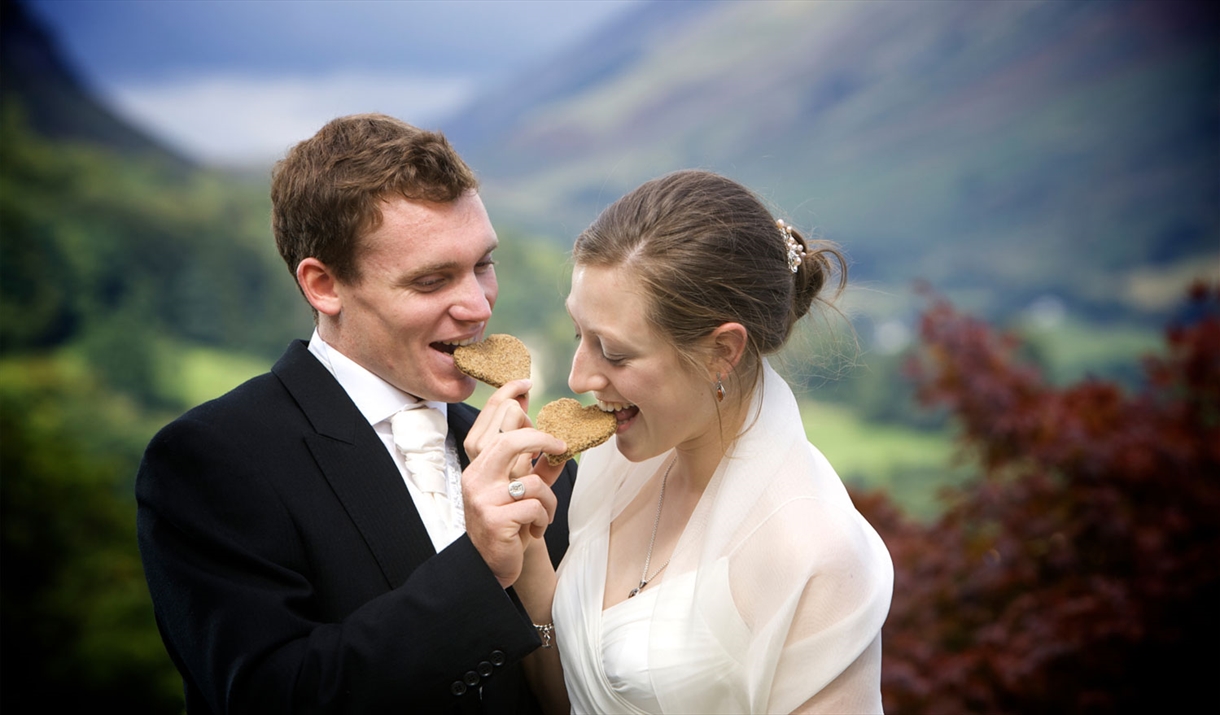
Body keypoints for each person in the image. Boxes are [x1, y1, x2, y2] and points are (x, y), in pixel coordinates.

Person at [136, 113, 576, 714]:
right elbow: (271, 698)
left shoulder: (536, 466)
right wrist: (476, 567)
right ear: (324, 285)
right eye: (431, 280)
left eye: (482, 265)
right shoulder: (213, 458)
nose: (477, 306)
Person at [469, 169, 894, 713]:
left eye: (614, 352)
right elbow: (568, 694)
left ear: (723, 350)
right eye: (580, 335)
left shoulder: (815, 553)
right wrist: (528, 550)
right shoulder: (612, 466)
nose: (579, 379)